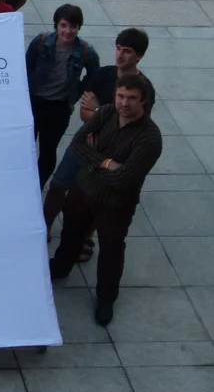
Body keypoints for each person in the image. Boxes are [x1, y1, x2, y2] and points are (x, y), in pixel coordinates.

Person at [49, 74, 163, 326]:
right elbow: (77, 145)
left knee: (111, 250)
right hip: (82, 191)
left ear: (143, 101)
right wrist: (107, 163)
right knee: (71, 233)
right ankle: (60, 267)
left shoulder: (150, 138)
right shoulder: (107, 113)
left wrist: (93, 159)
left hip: (115, 204)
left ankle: (106, 299)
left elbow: (123, 180)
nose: (124, 103)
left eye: (131, 98)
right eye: (121, 96)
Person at [44, 28, 154, 259]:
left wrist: (98, 112)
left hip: (113, 152)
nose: (120, 55)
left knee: (97, 198)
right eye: (118, 48)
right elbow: (84, 113)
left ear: (139, 56)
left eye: (127, 51)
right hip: (86, 143)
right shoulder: (103, 75)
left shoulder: (144, 89)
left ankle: (85, 239)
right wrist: (100, 114)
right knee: (58, 184)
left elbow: (135, 125)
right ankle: (44, 227)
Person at [26, 4, 100, 190]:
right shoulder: (41, 42)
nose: (68, 31)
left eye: (73, 26)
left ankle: (36, 187)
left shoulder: (86, 51)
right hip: (34, 102)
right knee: (25, 148)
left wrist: (76, 93)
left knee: (48, 151)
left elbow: (94, 76)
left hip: (59, 108)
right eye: (63, 25)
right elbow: (25, 67)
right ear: (56, 25)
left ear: (79, 27)